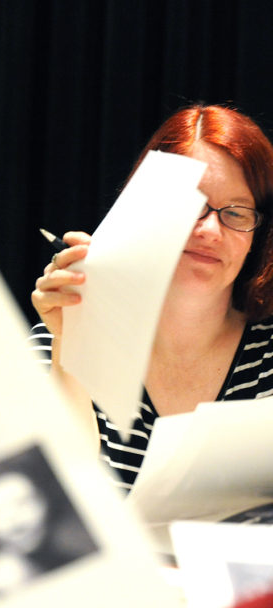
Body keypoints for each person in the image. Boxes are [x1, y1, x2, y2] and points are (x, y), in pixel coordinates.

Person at [31, 104, 273, 491]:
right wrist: (70, 344)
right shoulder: (54, 342)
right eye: (192, 204)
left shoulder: (268, 357)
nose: (211, 230)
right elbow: (55, 493)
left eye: (236, 213)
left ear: (256, 237)